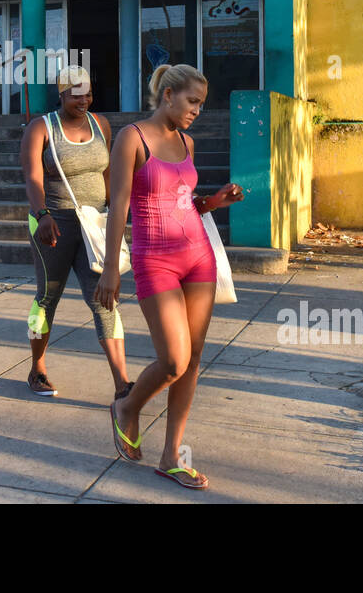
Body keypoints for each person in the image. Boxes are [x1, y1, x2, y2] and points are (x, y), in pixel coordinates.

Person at [95, 64, 244, 490]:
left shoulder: (187, 141)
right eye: (192, 101)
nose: (198, 110)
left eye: (201, 103)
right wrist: (110, 268)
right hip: (153, 258)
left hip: (198, 257)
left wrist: (214, 201)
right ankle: (128, 406)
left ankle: (172, 456)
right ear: (167, 96)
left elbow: (183, 201)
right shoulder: (132, 138)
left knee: (193, 360)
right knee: (174, 360)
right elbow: (119, 204)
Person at [19, 65, 130, 399]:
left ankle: (122, 383)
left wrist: (114, 213)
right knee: (47, 297)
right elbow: (32, 177)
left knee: (104, 298)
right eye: (76, 95)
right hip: (54, 223)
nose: (83, 101)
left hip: (94, 224)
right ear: (62, 94)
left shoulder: (101, 125)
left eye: (89, 94)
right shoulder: (41, 128)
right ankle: (37, 368)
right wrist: (42, 214)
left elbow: (108, 171)